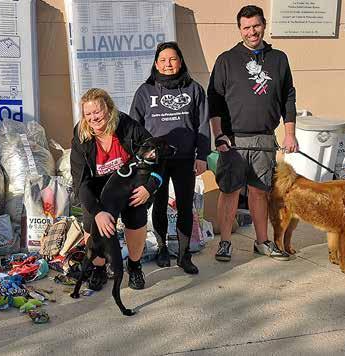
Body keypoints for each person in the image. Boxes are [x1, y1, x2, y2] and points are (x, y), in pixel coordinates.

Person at [207, 5, 298, 262]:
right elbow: (214, 99)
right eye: (246, 27)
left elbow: (288, 97)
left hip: (265, 138)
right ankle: (225, 242)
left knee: (259, 191)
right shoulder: (226, 60)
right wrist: (218, 135)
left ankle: (262, 241)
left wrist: (289, 133)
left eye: (256, 26)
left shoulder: (279, 59)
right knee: (230, 191)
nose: (252, 31)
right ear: (240, 30)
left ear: (264, 25)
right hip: (233, 140)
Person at [70, 88, 162, 291]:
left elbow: (156, 154)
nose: (94, 118)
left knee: (137, 214)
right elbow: (81, 183)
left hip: (127, 183)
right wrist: (97, 212)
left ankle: (135, 266)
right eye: (88, 114)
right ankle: (98, 268)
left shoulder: (127, 126)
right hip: (96, 186)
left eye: (98, 112)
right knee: (91, 220)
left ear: (109, 109)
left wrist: (150, 186)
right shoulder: (81, 137)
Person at [130, 41, 209, 274]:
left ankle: (184, 255)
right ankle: (162, 247)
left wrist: (202, 155)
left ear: (181, 61)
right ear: (156, 64)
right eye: (163, 60)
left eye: (172, 59)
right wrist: (140, 158)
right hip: (156, 161)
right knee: (160, 204)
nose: (168, 64)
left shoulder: (194, 89)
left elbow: (203, 125)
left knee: (185, 206)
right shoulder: (145, 91)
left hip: (185, 158)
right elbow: (135, 127)